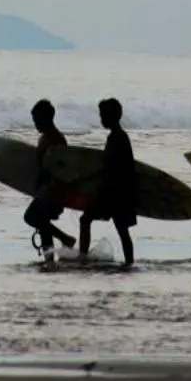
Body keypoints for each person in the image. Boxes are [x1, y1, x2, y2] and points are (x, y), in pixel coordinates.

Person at [78, 97, 138, 266]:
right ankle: (129, 262)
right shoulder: (117, 136)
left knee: (90, 221)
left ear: (112, 116)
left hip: (115, 193)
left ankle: (83, 258)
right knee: (120, 230)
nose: (101, 119)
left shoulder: (118, 138)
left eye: (103, 115)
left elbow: (113, 167)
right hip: (116, 192)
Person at [23, 99, 76, 258]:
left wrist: (54, 192)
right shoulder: (44, 138)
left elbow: (61, 169)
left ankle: (66, 239)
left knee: (31, 217)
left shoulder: (56, 140)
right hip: (44, 189)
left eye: (37, 120)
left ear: (46, 118)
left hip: (53, 191)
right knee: (43, 228)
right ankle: (49, 260)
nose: (35, 124)